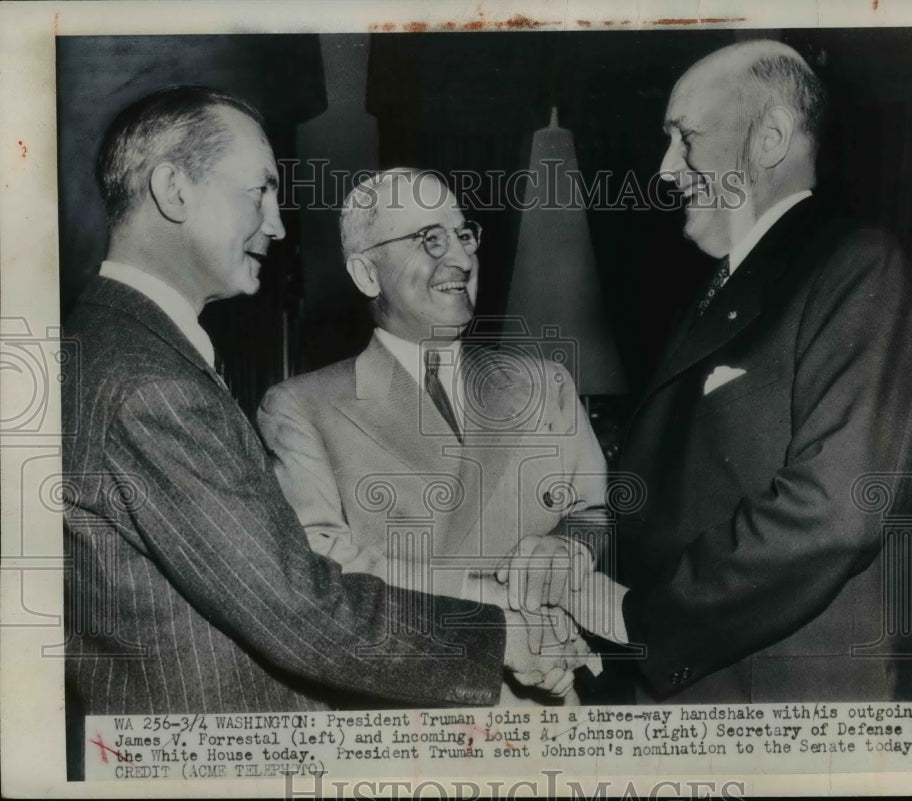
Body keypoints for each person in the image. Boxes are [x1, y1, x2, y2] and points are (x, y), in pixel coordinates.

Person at [61, 88, 579, 759]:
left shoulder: (109, 345)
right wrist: (500, 635)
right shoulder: (150, 384)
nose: (277, 225)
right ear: (173, 189)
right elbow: (298, 608)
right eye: (260, 191)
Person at [569, 39, 912, 703]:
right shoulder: (720, 288)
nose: (666, 170)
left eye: (685, 139)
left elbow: (838, 510)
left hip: (778, 698)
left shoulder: (856, 264)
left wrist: (636, 617)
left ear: (768, 139)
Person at [257, 169, 606, 704]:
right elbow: (326, 573)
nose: (461, 260)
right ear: (366, 273)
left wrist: (568, 546)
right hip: (404, 731)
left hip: (546, 712)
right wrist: (490, 601)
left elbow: (592, 514)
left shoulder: (547, 384)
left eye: (465, 235)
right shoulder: (301, 408)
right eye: (429, 239)